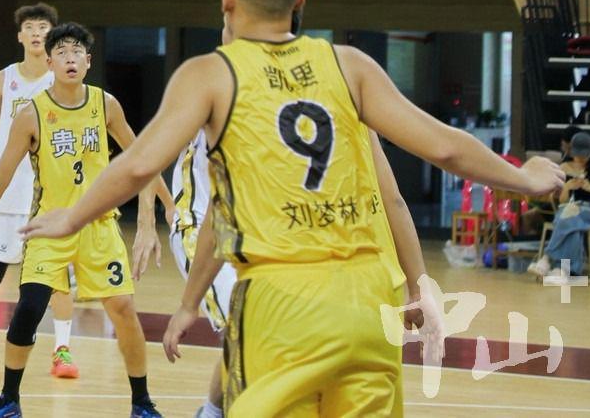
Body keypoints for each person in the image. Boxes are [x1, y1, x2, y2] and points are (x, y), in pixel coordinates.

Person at [20, 0, 565, 417]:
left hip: (280, 302)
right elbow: (444, 149)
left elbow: (141, 164)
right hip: (367, 302)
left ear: (227, 0)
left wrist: (73, 216)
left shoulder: (210, 75)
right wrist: (525, 177)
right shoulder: (350, 67)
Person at [163, 21, 437, 418]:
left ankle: (213, 410)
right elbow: (431, 164)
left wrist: (188, 304)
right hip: (363, 279)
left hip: (325, 275)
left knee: (261, 348)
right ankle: (213, 410)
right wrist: (418, 285)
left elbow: (395, 195)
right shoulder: (332, 92)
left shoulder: (261, 104)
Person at [0, 22, 171, 418]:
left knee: (123, 309)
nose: (70, 59)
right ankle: (8, 400)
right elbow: (1, 176)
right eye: (62, 52)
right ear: (50, 62)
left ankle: (142, 403)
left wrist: (163, 210)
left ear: (88, 61)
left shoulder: (105, 104)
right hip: (49, 227)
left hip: (99, 226)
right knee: (29, 308)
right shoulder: (31, 114)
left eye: (77, 52)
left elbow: (142, 158)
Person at [0, 4, 81, 380]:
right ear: (21, 36)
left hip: (51, 198)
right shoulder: (3, 79)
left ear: (52, 34)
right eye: (31, 27)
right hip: (8, 195)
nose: (37, 32)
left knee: (57, 277)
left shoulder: (64, 78)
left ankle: (62, 350)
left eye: (43, 26)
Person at [529, 132, 590, 278]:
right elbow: (562, 201)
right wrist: (567, 187)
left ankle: (547, 258)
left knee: (566, 217)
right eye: (578, 155)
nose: (581, 159)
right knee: (572, 224)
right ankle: (564, 270)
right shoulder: (564, 168)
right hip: (569, 208)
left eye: (584, 155)